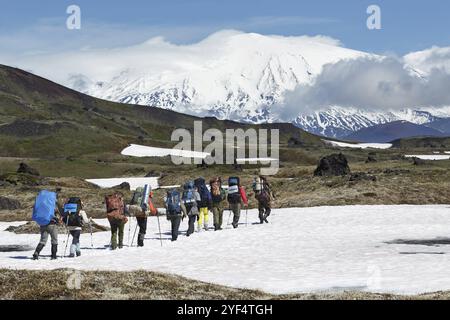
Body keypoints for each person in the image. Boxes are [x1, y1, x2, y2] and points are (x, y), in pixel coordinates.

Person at [32, 188, 63, 260]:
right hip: (52, 224)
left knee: (43, 240)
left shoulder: (43, 204)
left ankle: (36, 253)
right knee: (54, 240)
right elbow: (59, 212)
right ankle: (54, 256)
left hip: (42, 224)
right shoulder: (52, 204)